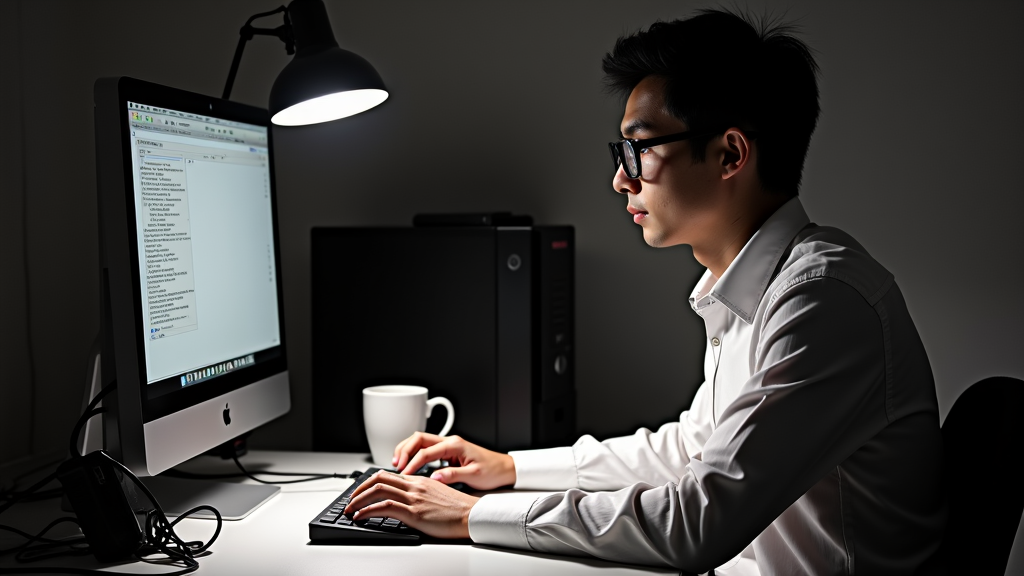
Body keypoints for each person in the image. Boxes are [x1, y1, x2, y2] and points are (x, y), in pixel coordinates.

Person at [344, 9, 946, 575]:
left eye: (640, 147)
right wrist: (508, 469)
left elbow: (696, 521)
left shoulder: (820, 300)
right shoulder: (756, 288)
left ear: (730, 153)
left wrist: (470, 515)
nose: (620, 177)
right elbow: (692, 450)